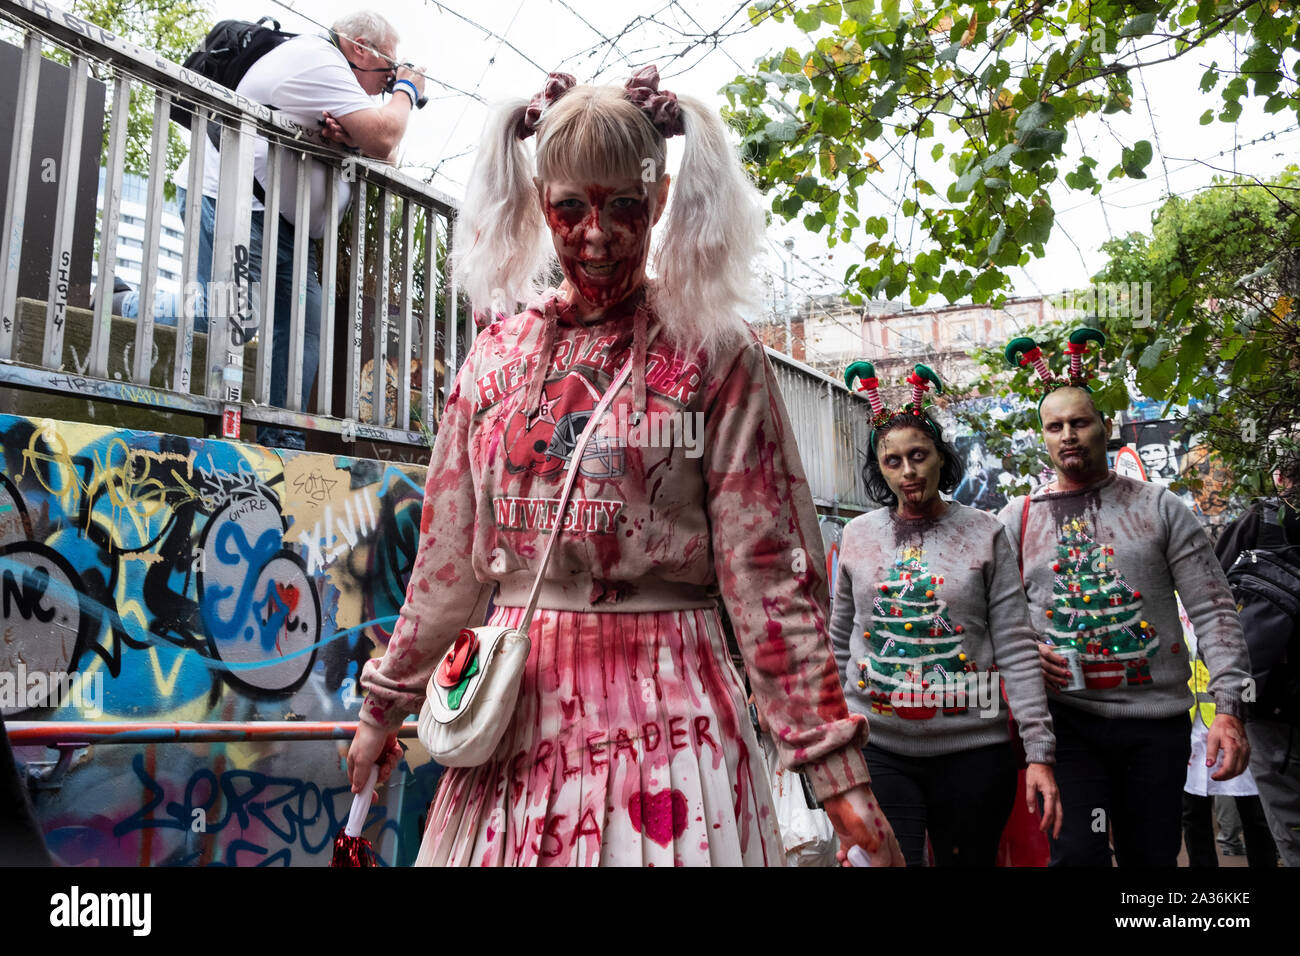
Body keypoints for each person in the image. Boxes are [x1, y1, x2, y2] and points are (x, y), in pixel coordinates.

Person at [346, 66, 904, 866]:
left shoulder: (715, 352)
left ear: (664, 198)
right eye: (571, 207)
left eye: (623, 206)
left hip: (674, 722)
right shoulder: (495, 357)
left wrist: (836, 772)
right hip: (508, 721)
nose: (596, 234)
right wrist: (383, 708)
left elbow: (768, 572)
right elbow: (445, 560)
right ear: (541, 201)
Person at [999, 331, 1252, 866]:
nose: (1068, 435)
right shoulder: (1018, 519)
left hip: (1153, 727)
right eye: (1055, 426)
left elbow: (1214, 610)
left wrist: (1229, 709)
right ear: (1042, 437)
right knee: (1077, 856)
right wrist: (1020, 650)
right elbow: (986, 616)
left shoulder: (1160, 508)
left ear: (1104, 427)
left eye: (1080, 422)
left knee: (1151, 859)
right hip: (1066, 726)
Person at [830, 362, 1059, 866]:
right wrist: (831, 741)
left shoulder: (984, 532)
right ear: (879, 469)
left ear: (941, 458)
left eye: (918, 456)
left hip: (973, 749)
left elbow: (1017, 645)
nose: (908, 471)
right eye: (892, 461)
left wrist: (1039, 749)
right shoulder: (857, 536)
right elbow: (838, 638)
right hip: (881, 748)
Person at [187, 10, 426, 449]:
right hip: (236, 203)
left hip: (285, 224)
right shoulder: (319, 60)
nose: (389, 83)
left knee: (304, 324)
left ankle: (280, 439)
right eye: (389, 70)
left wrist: (351, 139)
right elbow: (387, 137)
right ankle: (210, 428)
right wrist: (410, 89)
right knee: (223, 315)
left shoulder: (335, 76)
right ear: (360, 49)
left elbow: (385, 154)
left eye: (396, 78)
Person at [1213, 470, 1300, 867]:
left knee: (1290, 826)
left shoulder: (1258, 522)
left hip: (1271, 706)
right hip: (1273, 709)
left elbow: (1214, 604)